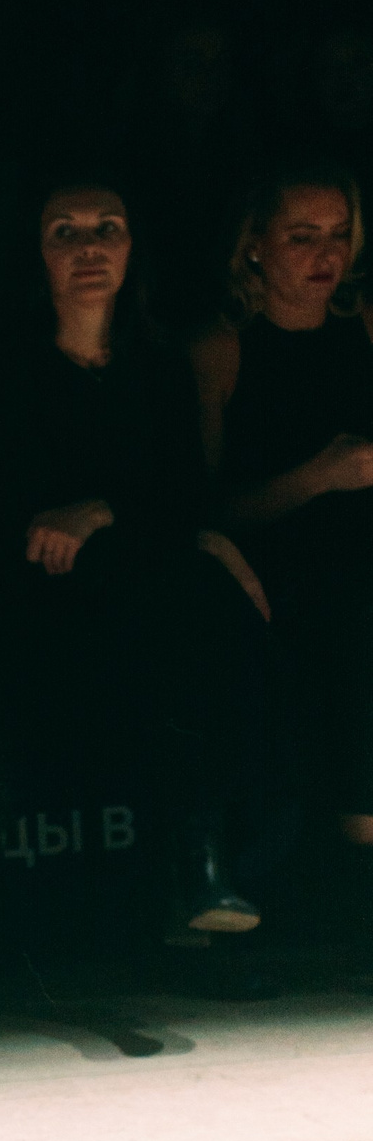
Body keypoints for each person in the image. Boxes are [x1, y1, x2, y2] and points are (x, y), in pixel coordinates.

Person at [0, 178, 280, 950]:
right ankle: (194, 875)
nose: (89, 248)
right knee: (186, 607)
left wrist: (103, 510)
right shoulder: (2, 370)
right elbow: (4, 512)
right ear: (38, 254)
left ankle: (222, 878)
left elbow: (186, 497)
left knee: (209, 611)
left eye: (107, 228)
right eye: (65, 232)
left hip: (145, 579)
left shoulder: (157, 366)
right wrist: (117, 520)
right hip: (42, 592)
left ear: (133, 247)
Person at [192, 164, 373, 940]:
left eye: (338, 235)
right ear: (256, 246)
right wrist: (320, 475)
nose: (324, 254)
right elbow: (207, 510)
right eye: (302, 236)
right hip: (271, 564)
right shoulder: (222, 349)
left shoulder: (365, 326)